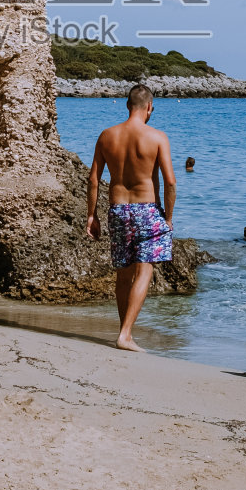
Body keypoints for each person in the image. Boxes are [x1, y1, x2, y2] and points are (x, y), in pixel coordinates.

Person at [86, 83, 176, 351]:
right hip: (146, 209)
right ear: (149, 107)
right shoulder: (157, 137)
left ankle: (124, 331)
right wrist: (168, 218)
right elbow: (170, 182)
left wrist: (91, 216)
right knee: (144, 270)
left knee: (123, 275)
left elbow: (93, 180)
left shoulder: (106, 136)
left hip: (117, 210)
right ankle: (125, 335)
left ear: (128, 105)